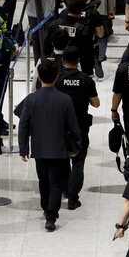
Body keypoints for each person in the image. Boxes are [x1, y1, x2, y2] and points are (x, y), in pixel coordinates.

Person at [18, 58, 82, 232]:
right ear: (56, 77)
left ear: (38, 78)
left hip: (39, 149)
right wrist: (79, 143)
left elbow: (23, 124)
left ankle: (46, 208)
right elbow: (73, 125)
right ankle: (51, 215)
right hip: (59, 149)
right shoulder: (65, 99)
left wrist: (23, 148)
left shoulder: (31, 100)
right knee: (55, 181)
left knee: (43, 180)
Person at [56, 45, 100, 210]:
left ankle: (66, 190)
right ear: (79, 61)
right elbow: (96, 104)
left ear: (63, 60)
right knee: (78, 161)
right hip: (80, 126)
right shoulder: (86, 80)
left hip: (61, 125)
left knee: (63, 160)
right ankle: (73, 198)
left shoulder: (58, 80)